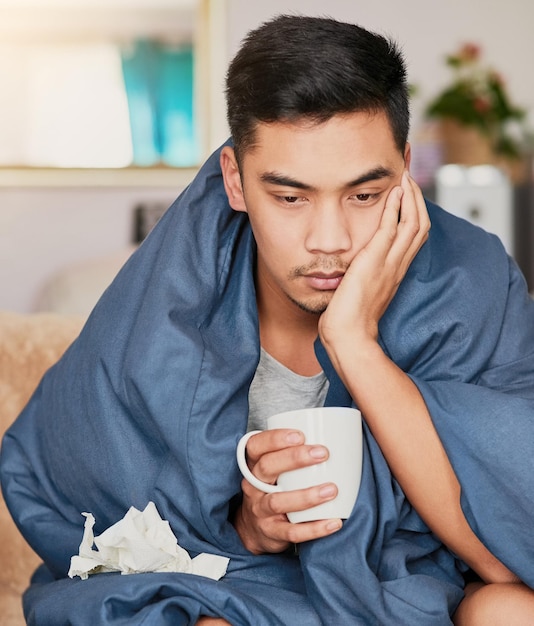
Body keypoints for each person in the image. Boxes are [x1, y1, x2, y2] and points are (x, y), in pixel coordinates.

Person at [2, 14, 534, 626]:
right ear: (235, 180)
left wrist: (355, 344)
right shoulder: (169, 298)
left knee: (509, 610)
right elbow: (86, 505)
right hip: (244, 586)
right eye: (289, 197)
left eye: (365, 195)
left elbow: (505, 550)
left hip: (417, 580)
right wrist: (248, 528)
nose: (329, 240)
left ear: (407, 171)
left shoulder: (472, 280)